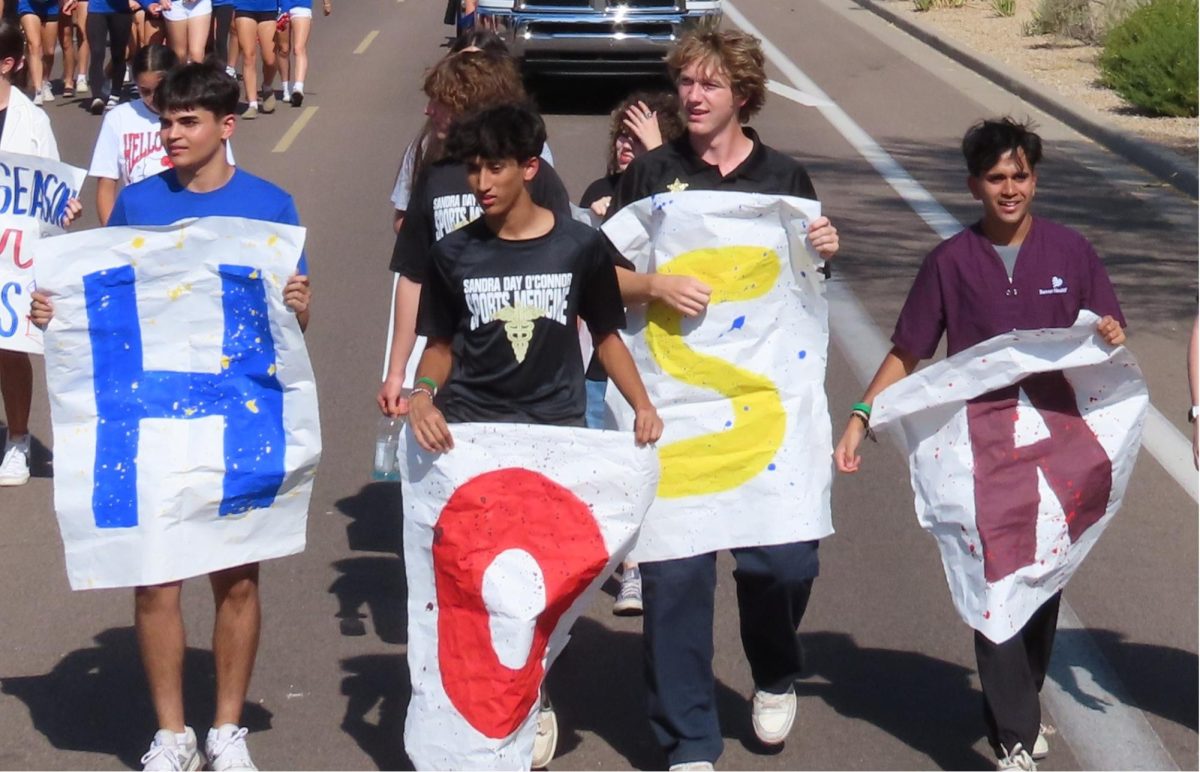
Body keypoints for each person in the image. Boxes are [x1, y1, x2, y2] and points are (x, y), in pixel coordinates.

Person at [31, 61, 311, 771]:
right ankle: (172, 733)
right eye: (165, 122)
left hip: (233, 415)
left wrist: (301, 310)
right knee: (155, 572)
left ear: (227, 126)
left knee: (237, 575)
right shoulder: (136, 202)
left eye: (188, 122)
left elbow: (283, 335)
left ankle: (226, 728)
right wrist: (55, 312)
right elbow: (110, 303)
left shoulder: (272, 207)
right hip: (152, 418)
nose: (172, 135)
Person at [834, 117, 1126, 772]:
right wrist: (861, 415)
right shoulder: (949, 263)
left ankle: (1019, 698)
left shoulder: (1072, 252)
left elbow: (1107, 335)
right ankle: (1016, 738)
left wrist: (1109, 329)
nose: (1009, 188)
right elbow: (908, 352)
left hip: (1057, 447)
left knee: (1042, 581)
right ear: (974, 185)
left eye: (1020, 175)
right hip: (983, 448)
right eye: (996, 178)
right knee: (995, 579)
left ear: (1035, 179)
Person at [603, 29, 839, 770]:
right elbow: (596, 278)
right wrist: (652, 284)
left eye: (708, 85)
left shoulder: (786, 179)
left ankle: (773, 669)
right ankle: (690, 742)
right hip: (675, 408)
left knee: (786, 563)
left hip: (764, 412)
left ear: (742, 94)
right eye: (686, 84)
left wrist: (823, 246)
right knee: (674, 575)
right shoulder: (651, 176)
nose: (693, 97)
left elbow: (804, 293)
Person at [407, 101, 663, 769]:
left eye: (494, 167)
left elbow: (606, 335)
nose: (481, 182)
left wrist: (640, 404)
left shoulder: (577, 246)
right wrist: (421, 395)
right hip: (474, 441)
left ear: (528, 168)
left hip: (554, 438)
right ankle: (509, 702)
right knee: (482, 585)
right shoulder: (452, 253)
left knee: (543, 584)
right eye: (472, 169)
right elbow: (439, 346)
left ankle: (534, 686)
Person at [377, 49, 570, 420]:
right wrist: (397, 371)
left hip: (529, 377)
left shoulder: (536, 177)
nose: (428, 110)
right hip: (455, 371)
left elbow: (566, 274)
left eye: (441, 102)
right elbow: (413, 277)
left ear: (470, 107)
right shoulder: (435, 177)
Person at [578, 89, 684, 616]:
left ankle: (644, 563)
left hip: (662, 354)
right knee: (609, 463)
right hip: (603, 353)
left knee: (651, 460)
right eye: (621, 134)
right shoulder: (598, 191)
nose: (626, 145)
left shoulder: (678, 193)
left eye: (638, 136)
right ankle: (622, 564)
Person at [0, 18, 81, 486]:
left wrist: (64, 208)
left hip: (10, 255)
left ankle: (16, 440)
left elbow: (49, 194)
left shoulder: (33, 123)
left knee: (9, 349)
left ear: (7, 64)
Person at [87, 44, 236, 224]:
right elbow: (106, 184)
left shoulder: (198, 115)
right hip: (142, 222)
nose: (153, 98)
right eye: (145, 91)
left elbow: (223, 173)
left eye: (159, 88)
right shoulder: (117, 118)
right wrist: (112, 234)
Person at [274, 0, 329, 107]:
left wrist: (326, 3)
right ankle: (286, 87)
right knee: (283, 49)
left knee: (299, 48)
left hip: (302, 5)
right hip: (281, 6)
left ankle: (298, 88)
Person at [84, 0, 134, 114]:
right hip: (96, 9)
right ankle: (97, 97)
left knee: (118, 54)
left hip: (121, 11)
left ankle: (115, 94)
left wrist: (147, 4)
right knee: (96, 52)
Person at [17, 0, 70, 105]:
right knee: (34, 45)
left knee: (49, 52)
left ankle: (45, 81)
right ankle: (38, 90)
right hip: (28, 5)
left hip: (50, 6)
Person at [232, 0, 276, 118]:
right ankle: (252, 104)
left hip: (269, 8)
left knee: (270, 59)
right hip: (243, 7)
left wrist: (283, 7)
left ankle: (267, 86)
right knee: (248, 55)